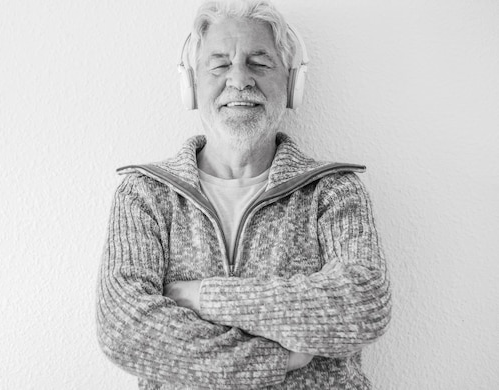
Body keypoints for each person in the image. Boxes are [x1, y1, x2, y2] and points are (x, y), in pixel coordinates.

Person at [96, 0, 391, 388]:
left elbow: (363, 305)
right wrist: (279, 357)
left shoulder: (333, 190)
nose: (239, 80)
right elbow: (125, 328)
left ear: (290, 83)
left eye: (259, 63)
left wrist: (206, 298)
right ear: (191, 84)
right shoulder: (145, 193)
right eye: (219, 64)